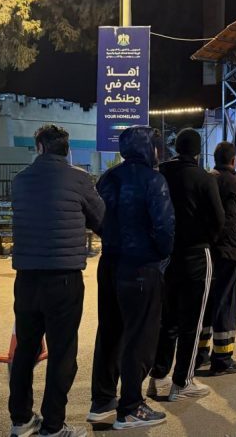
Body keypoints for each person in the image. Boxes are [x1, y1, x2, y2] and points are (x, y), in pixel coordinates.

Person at [9, 125, 105, 437]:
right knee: (62, 353)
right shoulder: (79, 179)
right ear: (67, 149)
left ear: (39, 147)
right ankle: (53, 426)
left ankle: (21, 420)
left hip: (26, 279)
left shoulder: (20, 180)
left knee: (25, 350)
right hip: (64, 278)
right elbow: (102, 220)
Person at [90, 126, 174, 429]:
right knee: (140, 337)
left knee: (110, 332)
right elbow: (164, 227)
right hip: (141, 267)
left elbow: (97, 218)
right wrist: (161, 254)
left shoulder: (108, 178)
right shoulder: (154, 180)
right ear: (148, 148)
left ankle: (102, 401)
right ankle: (131, 407)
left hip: (109, 263)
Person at [149, 129, 225, 400]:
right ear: (198, 151)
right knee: (192, 321)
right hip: (195, 253)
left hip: (165, 255)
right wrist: (207, 239)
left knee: (167, 319)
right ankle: (183, 381)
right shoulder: (203, 177)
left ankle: (158, 376)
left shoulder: (160, 173)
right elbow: (218, 219)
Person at [197, 142, 236, 376]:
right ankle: (223, 357)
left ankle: (201, 353)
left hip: (207, 249)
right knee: (226, 302)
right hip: (228, 249)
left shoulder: (206, 178)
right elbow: (233, 217)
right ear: (233, 160)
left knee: (207, 301)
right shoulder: (233, 181)